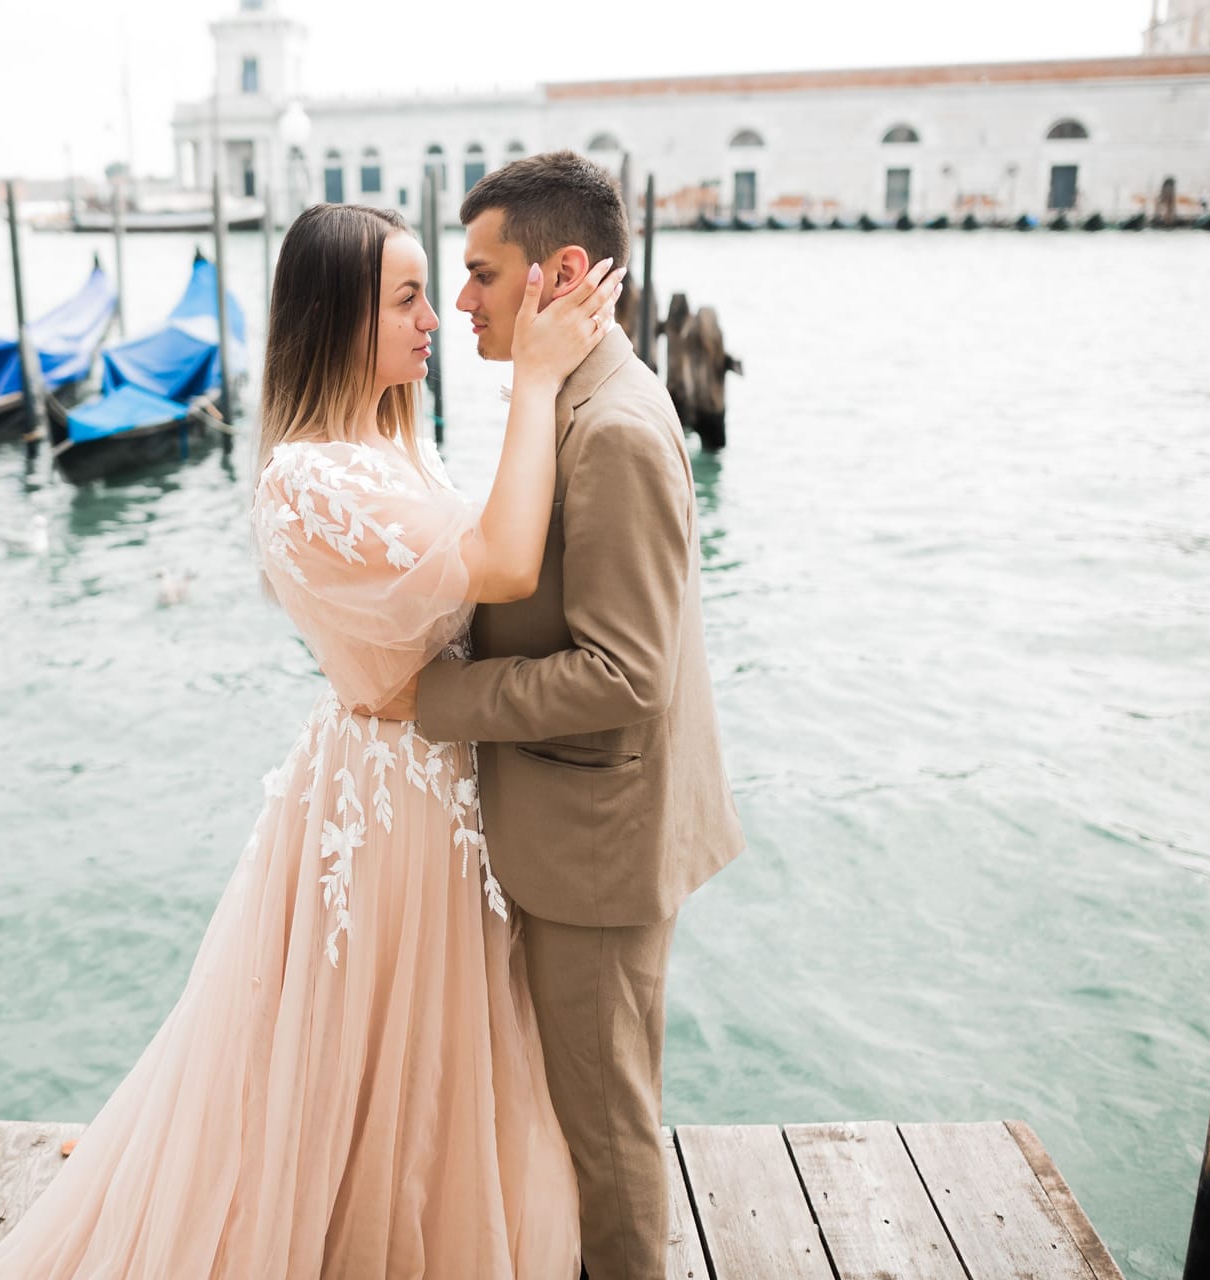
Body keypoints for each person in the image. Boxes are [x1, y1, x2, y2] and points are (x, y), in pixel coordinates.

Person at [0, 201, 624, 1278]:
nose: (435, 317)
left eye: (431, 291)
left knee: (435, 1080)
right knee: (388, 1075)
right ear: (337, 319)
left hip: (437, 784)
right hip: (397, 804)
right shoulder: (313, 476)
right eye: (407, 297)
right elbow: (500, 565)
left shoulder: (392, 443)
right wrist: (538, 377)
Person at [377, 150, 748, 1280]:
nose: (462, 301)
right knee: (589, 1102)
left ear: (563, 272)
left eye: (483, 273)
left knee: (607, 1125)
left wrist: (438, 700)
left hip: (598, 850)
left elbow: (624, 674)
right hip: (586, 832)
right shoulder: (576, 401)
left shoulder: (618, 429)